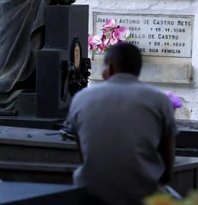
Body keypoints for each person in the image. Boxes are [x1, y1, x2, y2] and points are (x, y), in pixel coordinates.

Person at [66, 42, 178, 205]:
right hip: (144, 193)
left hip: (91, 191)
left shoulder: (82, 97)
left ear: (110, 68)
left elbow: (84, 153)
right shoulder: (159, 99)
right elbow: (168, 156)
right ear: (138, 70)